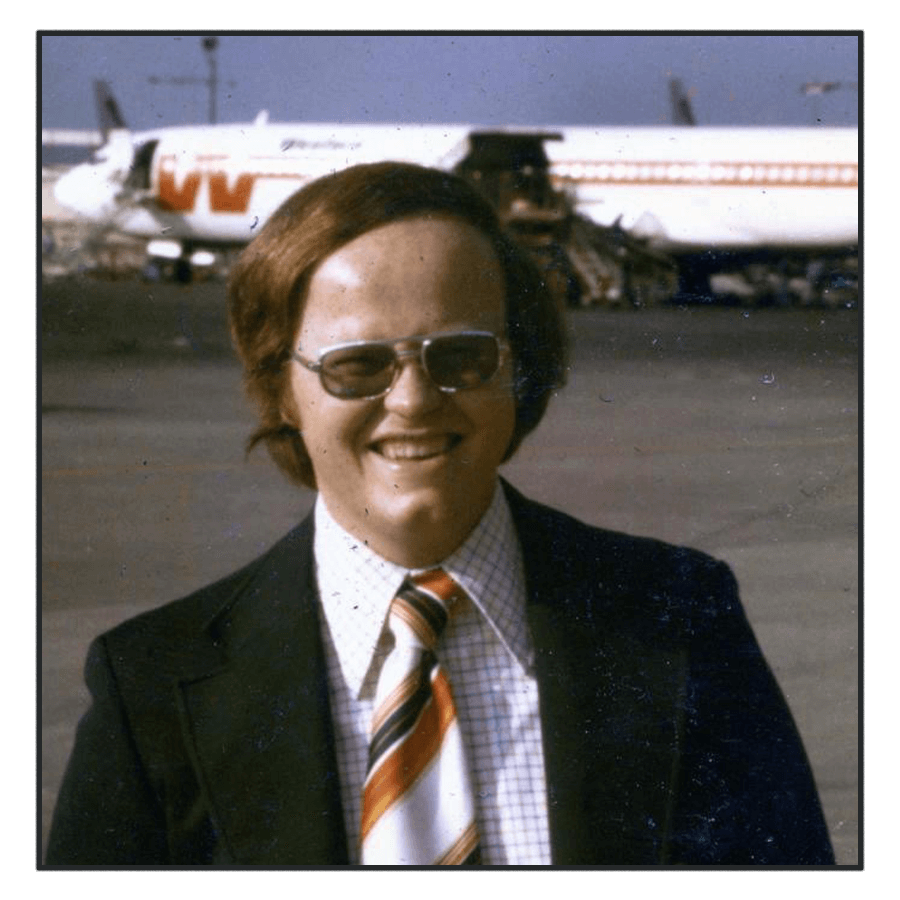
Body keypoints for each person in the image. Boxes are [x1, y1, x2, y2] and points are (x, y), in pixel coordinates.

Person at [46, 162, 834, 867]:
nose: (415, 401)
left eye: (461, 357)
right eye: (358, 365)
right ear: (282, 389)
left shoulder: (682, 623)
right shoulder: (153, 687)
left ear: (520, 370)